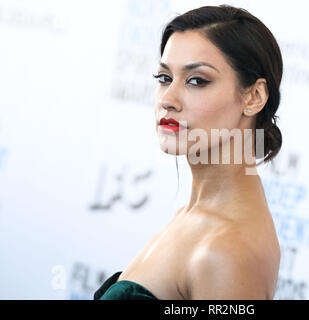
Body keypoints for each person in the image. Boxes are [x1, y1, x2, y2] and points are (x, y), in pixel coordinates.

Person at [94, 4, 283, 300]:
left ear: (254, 96)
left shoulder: (227, 250)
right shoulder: (195, 216)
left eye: (197, 80)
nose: (168, 99)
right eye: (164, 78)